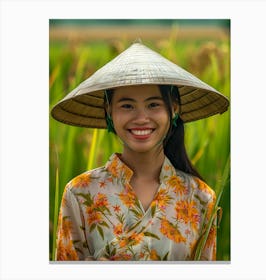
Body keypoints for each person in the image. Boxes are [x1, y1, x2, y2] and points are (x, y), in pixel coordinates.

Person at [51, 41, 229, 261]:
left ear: (173, 109)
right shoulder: (80, 193)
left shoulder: (200, 198)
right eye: (127, 106)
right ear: (108, 111)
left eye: (153, 105)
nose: (141, 118)